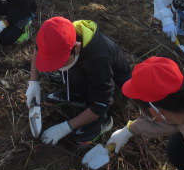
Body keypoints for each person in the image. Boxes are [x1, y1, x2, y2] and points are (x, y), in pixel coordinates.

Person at [26, 16, 130, 145]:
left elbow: (102, 102)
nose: (58, 67)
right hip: (85, 70)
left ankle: (104, 120)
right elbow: (38, 49)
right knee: (70, 69)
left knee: (98, 102)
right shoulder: (56, 34)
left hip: (115, 90)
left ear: (76, 47)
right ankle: (75, 94)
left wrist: (65, 127)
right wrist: (33, 82)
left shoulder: (99, 59)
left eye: (61, 62)